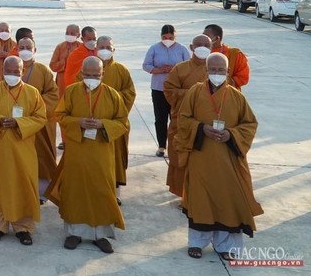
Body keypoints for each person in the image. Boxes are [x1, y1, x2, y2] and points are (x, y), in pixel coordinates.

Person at [177, 53, 263, 260]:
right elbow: (183, 119)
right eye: (213, 70)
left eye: (221, 70)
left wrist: (231, 134)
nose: (217, 74)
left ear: (227, 72)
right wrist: (201, 128)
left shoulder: (236, 96)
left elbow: (250, 124)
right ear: (206, 71)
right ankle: (197, 243)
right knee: (201, 201)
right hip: (201, 157)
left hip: (228, 159)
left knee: (228, 201)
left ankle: (227, 246)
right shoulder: (195, 93)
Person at [47, 57, 129, 254]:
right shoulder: (71, 91)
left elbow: (123, 122)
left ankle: (100, 235)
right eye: (88, 75)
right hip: (77, 151)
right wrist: (78, 123)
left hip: (102, 152)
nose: (92, 78)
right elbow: (61, 115)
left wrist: (103, 125)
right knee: (76, 190)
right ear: (81, 73)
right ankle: (73, 233)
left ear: (102, 75)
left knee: (101, 190)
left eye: (96, 75)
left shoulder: (112, 95)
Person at [0, 56, 47, 246]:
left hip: (22, 148)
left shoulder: (32, 93)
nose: (12, 75)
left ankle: (23, 227)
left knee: (23, 184)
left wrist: (18, 123)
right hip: (0, 148)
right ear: (2, 72)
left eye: (16, 72)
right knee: (0, 185)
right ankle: (0, 225)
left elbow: (40, 117)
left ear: (22, 72)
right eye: (8, 72)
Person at [164, 34, 227, 198]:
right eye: (198, 44)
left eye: (206, 44)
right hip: (183, 122)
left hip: (208, 124)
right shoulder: (180, 68)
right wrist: (195, 95)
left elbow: (227, 93)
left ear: (212, 47)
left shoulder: (217, 70)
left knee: (204, 161)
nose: (202, 47)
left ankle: (202, 194)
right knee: (181, 158)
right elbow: (169, 91)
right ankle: (182, 193)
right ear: (191, 47)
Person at [92, 36, 136, 201]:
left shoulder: (121, 70)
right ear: (96, 49)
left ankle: (114, 193)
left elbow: (130, 93)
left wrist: (111, 101)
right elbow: (77, 93)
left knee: (115, 159)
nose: (105, 50)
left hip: (115, 123)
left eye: (108, 47)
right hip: (92, 123)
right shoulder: (88, 68)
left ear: (113, 50)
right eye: (101, 47)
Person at [16, 38, 59, 200]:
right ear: (17, 49)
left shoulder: (43, 70)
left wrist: (35, 108)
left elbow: (53, 95)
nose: (25, 50)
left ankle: (42, 193)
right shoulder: (11, 68)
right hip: (18, 122)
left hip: (39, 122)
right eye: (22, 47)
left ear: (35, 50)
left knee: (41, 157)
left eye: (28, 47)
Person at [142, 25, 190, 156]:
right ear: (161, 36)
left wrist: (175, 68)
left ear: (175, 36)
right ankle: (162, 146)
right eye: (165, 37)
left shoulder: (182, 49)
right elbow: (146, 65)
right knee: (160, 118)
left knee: (176, 118)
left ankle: (176, 144)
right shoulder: (154, 48)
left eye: (171, 37)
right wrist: (160, 69)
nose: (168, 40)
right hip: (159, 88)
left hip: (176, 90)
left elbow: (189, 66)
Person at [203, 24, 249, 88]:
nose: (204, 39)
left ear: (217, 38)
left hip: (229, 93)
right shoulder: (202, 53)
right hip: (204, 92)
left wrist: (222, 82)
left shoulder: (235, 54)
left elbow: (243, 77)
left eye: (207, 37)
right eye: (203, 36)